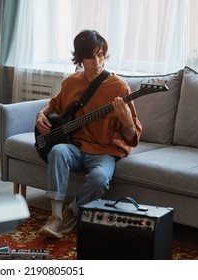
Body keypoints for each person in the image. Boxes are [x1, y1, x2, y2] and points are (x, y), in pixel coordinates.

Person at [35, 29, 142, 239]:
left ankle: (71, 213)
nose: (97, 61)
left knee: (100, 178)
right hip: (75, 146)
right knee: (57, 151)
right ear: (80, 58)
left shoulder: (119, 87)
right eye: (91, 56)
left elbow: (132, 136)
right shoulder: (71, 82)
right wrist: (41, 114)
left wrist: (128, 122)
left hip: (104, 150)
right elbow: (54, 104)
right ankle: (55, 216)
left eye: (101, 55)